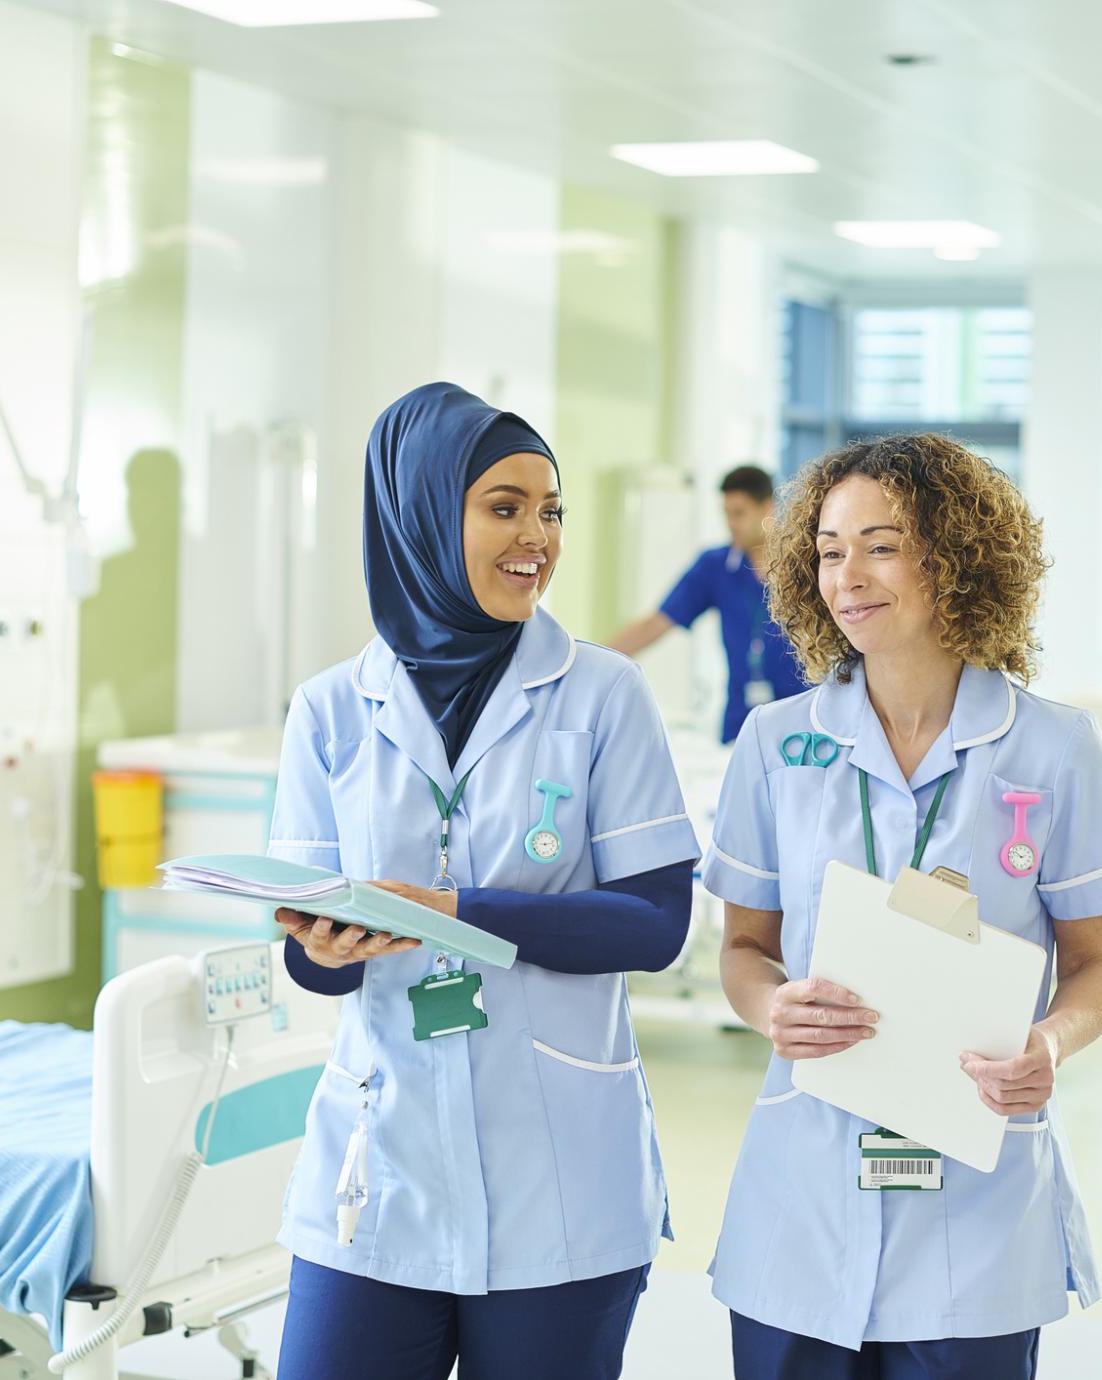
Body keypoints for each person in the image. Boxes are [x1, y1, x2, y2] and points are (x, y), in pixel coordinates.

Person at [266, 382, 701, 1380]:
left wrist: (452, 915)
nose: (536, 537)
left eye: (549, 510)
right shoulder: (331, 709)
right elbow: (314, 966)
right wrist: (323, 948)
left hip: (557, 1176)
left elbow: (653, 924)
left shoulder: (600, 694)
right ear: (418, 515)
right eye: (502, 507)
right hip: (379, 1172)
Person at [700, 433, 1102, 1379]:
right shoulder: (776, 744)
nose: (848, 575)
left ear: (955, 555)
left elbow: (1099, 965)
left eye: (881, 543)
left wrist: (1052, 1043)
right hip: (802, 1202)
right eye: (827, 549)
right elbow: (743, 946)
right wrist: (766, 1006)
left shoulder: (1054, 750)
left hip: (974, 1214)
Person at [609, 464, 804, 743]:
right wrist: (592, 660)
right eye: (726, 514)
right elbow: (656, 624)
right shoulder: (716, 567)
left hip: (803, 724)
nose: (731, 523)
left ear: (768, 509)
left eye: (739, 513)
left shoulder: (806, 566)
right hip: (742, 726)